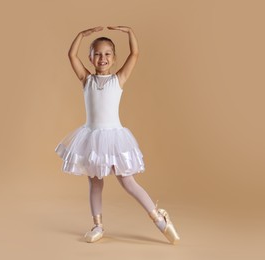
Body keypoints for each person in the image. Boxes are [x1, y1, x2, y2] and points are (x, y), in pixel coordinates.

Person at [55, 26, 180, 245]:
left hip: (114, 138)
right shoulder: (86, 79)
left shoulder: (118, 79)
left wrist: (130, 31)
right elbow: (71, 55)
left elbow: (135, 54)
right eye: (97, 54)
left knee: (128, 181)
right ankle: (98, 225)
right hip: (92, 138)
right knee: (95, 183)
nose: (102, 58)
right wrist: (81, 35)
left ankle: (158, 218)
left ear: (114, 59)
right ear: (90, 57)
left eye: (107, 54)